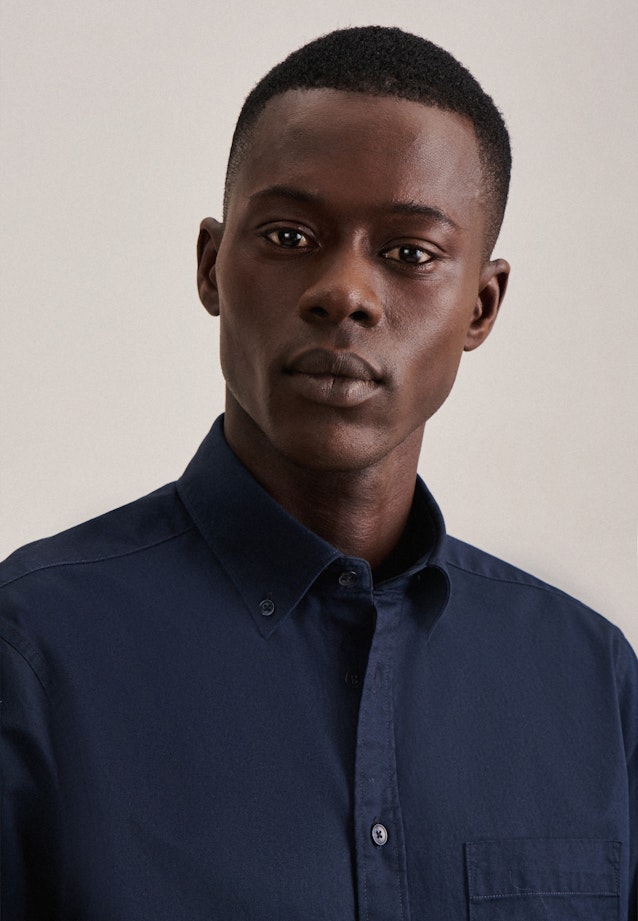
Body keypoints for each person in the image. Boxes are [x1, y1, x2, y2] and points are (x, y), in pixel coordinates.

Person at [1, 25, 635, 921]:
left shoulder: (590, 681)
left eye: (409, 253)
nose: (345, 292)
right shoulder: (32, 651)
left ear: (482, 306)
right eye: (290, 234)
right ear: (211, 266)